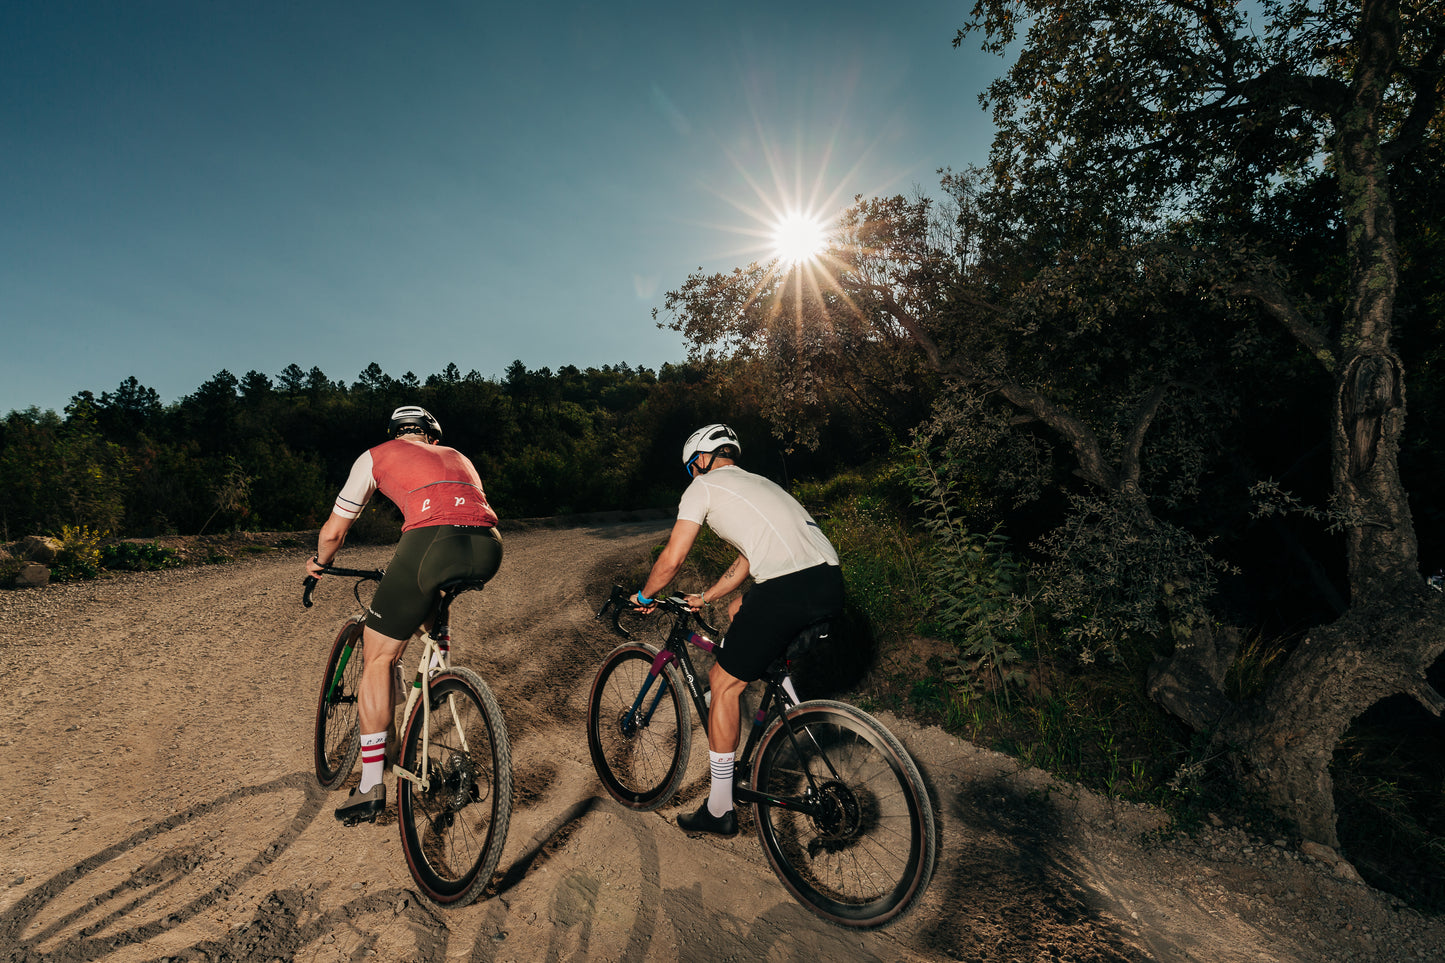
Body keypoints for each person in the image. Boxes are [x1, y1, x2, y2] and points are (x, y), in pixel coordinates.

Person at [635, 423, 844, 837]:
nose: (693, 477)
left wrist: (644, 596)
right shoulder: (759, 484)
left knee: (722, 681)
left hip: (789, 586)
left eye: (692, 469)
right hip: (829, 582)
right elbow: (749, 560)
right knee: (742, 609)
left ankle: (719, 809)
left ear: (700, 461)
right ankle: (785, 699)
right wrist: (709, 596)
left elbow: (673, 558)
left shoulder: (704, 486)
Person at [306, 405, 503, 823]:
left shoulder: (376, 455)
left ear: (396, 434)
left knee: (379, 655)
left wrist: (319, 564)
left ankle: (370, 783)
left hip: (431, 543)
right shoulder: (459, 456)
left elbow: (334, 531)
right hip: (489, 546)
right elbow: (464, 511)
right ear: (432, 436)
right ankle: (439, 672)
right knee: (431, 601)